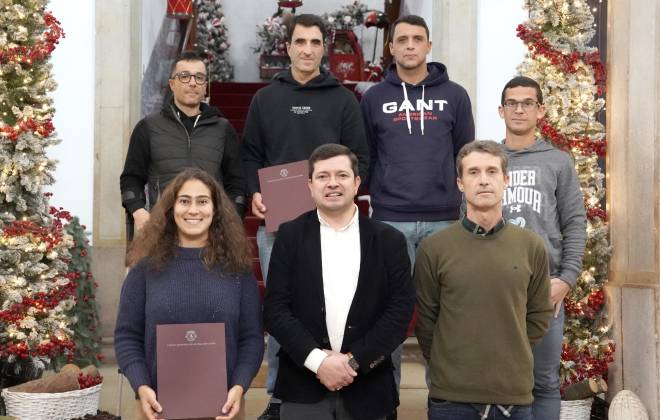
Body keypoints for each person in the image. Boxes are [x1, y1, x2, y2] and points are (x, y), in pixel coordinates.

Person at [241, 13, 369, 420]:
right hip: (279, 227)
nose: (308, 49)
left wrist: (339, 196)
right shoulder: (265, 99)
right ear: (288, 47)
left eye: (315, 42)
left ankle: (336, 392)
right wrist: (255, 191)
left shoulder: (343, 100)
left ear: (324, 48)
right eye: (301, 42)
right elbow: (250, 155)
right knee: (282, 312)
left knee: (333, 309)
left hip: (335, 226)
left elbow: (360, 158)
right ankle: (279, 397)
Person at [359, 14, 474, 406]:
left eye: (417, 39)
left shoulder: (455, 96)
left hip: (444, 220)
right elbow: (367, 156)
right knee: (386, 314)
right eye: (402, 39)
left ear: (428, 46)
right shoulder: (374, 98)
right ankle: (385, 402)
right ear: (391, 47)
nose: (410, 46)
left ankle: (444, 401)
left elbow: (465, 156)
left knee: (443, 314)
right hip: (389, 219)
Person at [263, 144, 414, 420]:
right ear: (310, 186)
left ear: (356, 183)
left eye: (342, 175)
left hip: (369, 388)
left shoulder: (389, 240)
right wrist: (319, 362)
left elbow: (400, 311)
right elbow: (276, 310)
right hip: (302, 387)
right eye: (323, 176)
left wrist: (352, 363)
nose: (332, 183)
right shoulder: (289, 236)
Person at [414, 141, 552, 420]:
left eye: (492, 171)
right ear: (460, 183)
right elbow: (426, 321)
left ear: (506, 180)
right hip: (451, 398)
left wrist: (510, 352)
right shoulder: (434, 248)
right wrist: (448, 364)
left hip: (512, 398)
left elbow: (538, 316)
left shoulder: (531, 246)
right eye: (473, 172)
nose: (484, 180)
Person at [114, 168, 263, 420]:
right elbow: (127, 336)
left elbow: (251, 338)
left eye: (202, 201)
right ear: (171, 209)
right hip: (156, 409)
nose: (193, 210)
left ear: (215, 210)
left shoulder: (238, 271)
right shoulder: (144, 270)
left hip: (226, 409)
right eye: (184, 201)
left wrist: (240, 386)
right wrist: (141, 385)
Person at [499, 76, 587, 420]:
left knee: (545, 382)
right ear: (501, 110)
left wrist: (566, 279)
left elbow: (574, 222)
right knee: (496, 381)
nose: (519, 109)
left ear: (540, 110)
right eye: (512, 103)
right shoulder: (489, 159)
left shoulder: (558, 162)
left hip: (544, 288)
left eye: (527, 103)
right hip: (495, 288)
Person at [120, 51, 245, 241]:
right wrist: (138, 211)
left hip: (210, 234)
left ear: (205, 86)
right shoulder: (148, 127)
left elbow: (237, 183)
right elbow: (131, 178)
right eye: (184, 76)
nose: (193, 82)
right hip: (163, 233)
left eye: (199, 77)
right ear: (172, 84)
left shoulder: (223, 129)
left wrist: (232, 220)